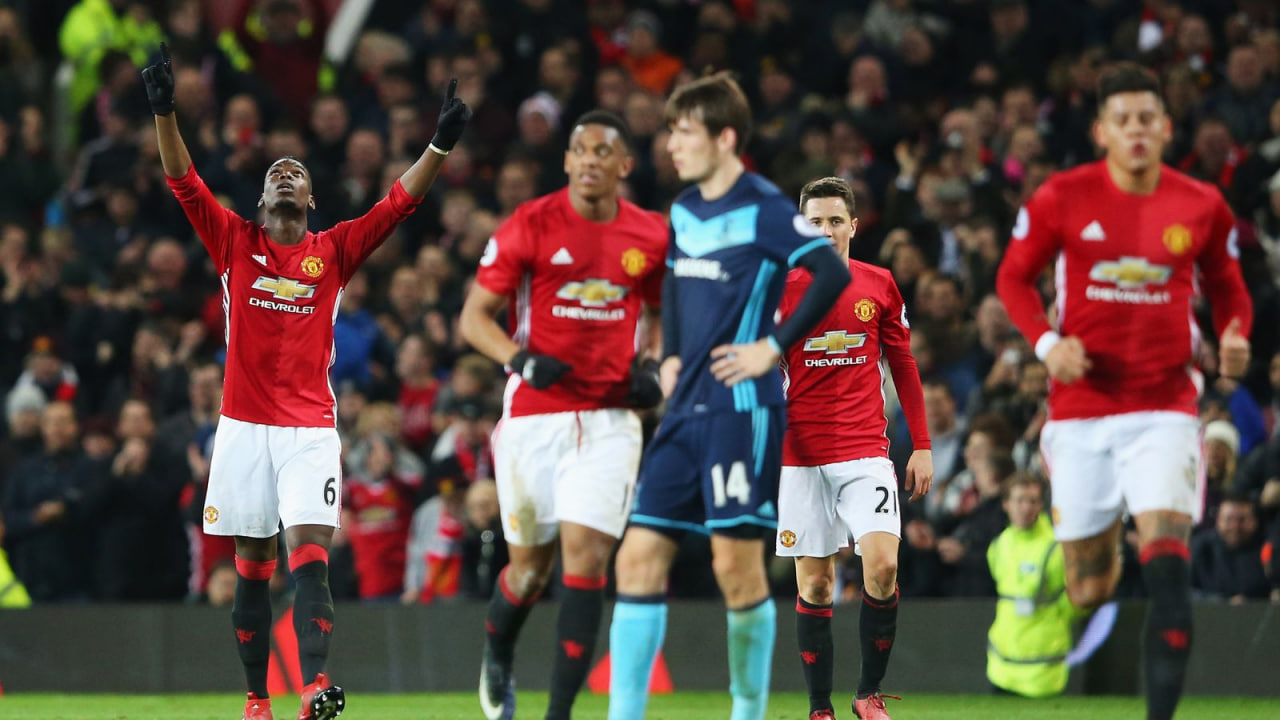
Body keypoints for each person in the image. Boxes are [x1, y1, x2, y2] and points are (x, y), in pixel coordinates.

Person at [140, 43, 470, 720]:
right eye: (275, 172)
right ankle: (257, 699)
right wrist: (164, 110)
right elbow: (182, 181)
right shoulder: (233, 239)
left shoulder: (335, 250)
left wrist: (437, 145)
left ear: (310, 197)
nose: (286, 175)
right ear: (262, 197)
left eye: (296, 172)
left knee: (309, 551)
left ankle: (315, 688)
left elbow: (398, 203)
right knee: (251, 565)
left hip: (309, 429)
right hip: (242, 427)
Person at [996, 61, 1253, 720]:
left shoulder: (1201, 204)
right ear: (1101, 131)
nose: (1136, 130)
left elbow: (1227, 284)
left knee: (1168, 566)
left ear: (1166, 129)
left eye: (1147, 118)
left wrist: (1235, 333)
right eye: (1123, 120)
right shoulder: (1060, 197)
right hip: (1079, 414)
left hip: (1164, 408)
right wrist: (1049, 348)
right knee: (1085, 589)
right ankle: (1105, 533)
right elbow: (1013, 281)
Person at [607, 73, 851, 720]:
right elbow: (679, 287)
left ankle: (748, 713)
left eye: (684, 132)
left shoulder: (767, 208)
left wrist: (774, 346)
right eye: (671, 131)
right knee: (636, 559)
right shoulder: (684, 209)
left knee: (735, 569)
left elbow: (831, 271)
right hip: (683, 411)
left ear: (726, 137)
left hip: (742, 412)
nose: (672, 144)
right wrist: (674, 354)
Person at [459, 109, 668, 720]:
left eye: (605, 151)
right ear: (568, 162)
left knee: (586, 558)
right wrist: (519, 359)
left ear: (624, 166)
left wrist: (651, 364)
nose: (592, 160)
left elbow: (661, 316)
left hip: (609, 420)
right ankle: (497, 650)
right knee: (528, 572)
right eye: (582, 150)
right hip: (533, 418)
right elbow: (474, 318)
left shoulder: (650, 235)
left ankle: (558, 715)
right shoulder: (531, 223)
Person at [775, 177, 933, 720]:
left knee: (883, 565)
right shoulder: (779, 288)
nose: (826, 230)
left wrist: (923, 445)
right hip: (800, 457)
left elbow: (904, 368)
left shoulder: (879, 284)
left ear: (853, 226)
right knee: (815, 583)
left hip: (866, 450)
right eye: (815, 221)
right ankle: (820, 708)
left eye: (835, 220)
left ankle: (867, 693)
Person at [986, 472, 1075, 698]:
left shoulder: (1057, 548)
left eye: (1033, 501)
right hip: (1001, 666)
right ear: (1006, 504)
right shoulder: (999, 545)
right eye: (1019, 500)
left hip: (1044, 672)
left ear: (1041, 505)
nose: (1026, 508)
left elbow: (1074, 601)